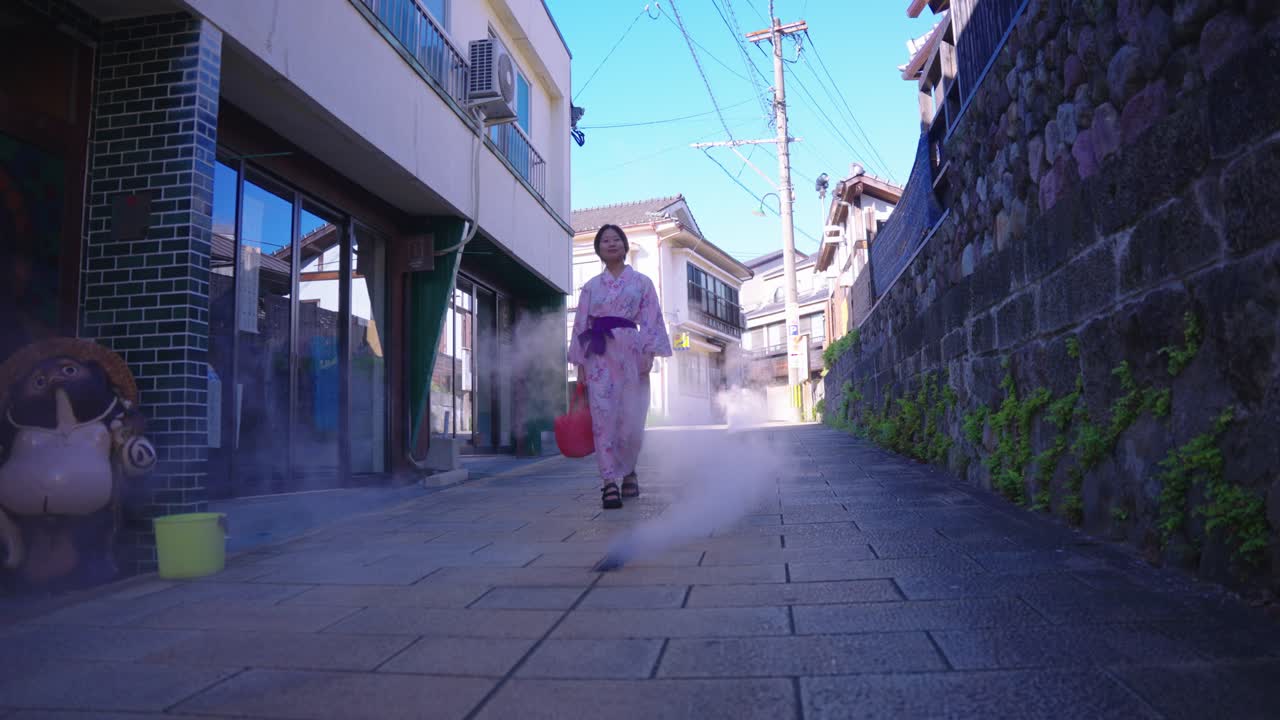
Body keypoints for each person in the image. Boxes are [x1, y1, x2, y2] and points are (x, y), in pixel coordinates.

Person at [569, 224, 672, 509]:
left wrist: (649, 352)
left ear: (625, 246)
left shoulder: (642, 282)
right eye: (605, 240)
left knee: (632, 420)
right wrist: (580, 364)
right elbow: (581, 325)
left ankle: (629, 471)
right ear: (598, 249)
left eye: (616, 239)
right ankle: (608, 483)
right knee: (603, 421)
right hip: (599, 353)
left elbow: (651, 318)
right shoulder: (590, 287)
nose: (611, 244)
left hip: (631, 353)